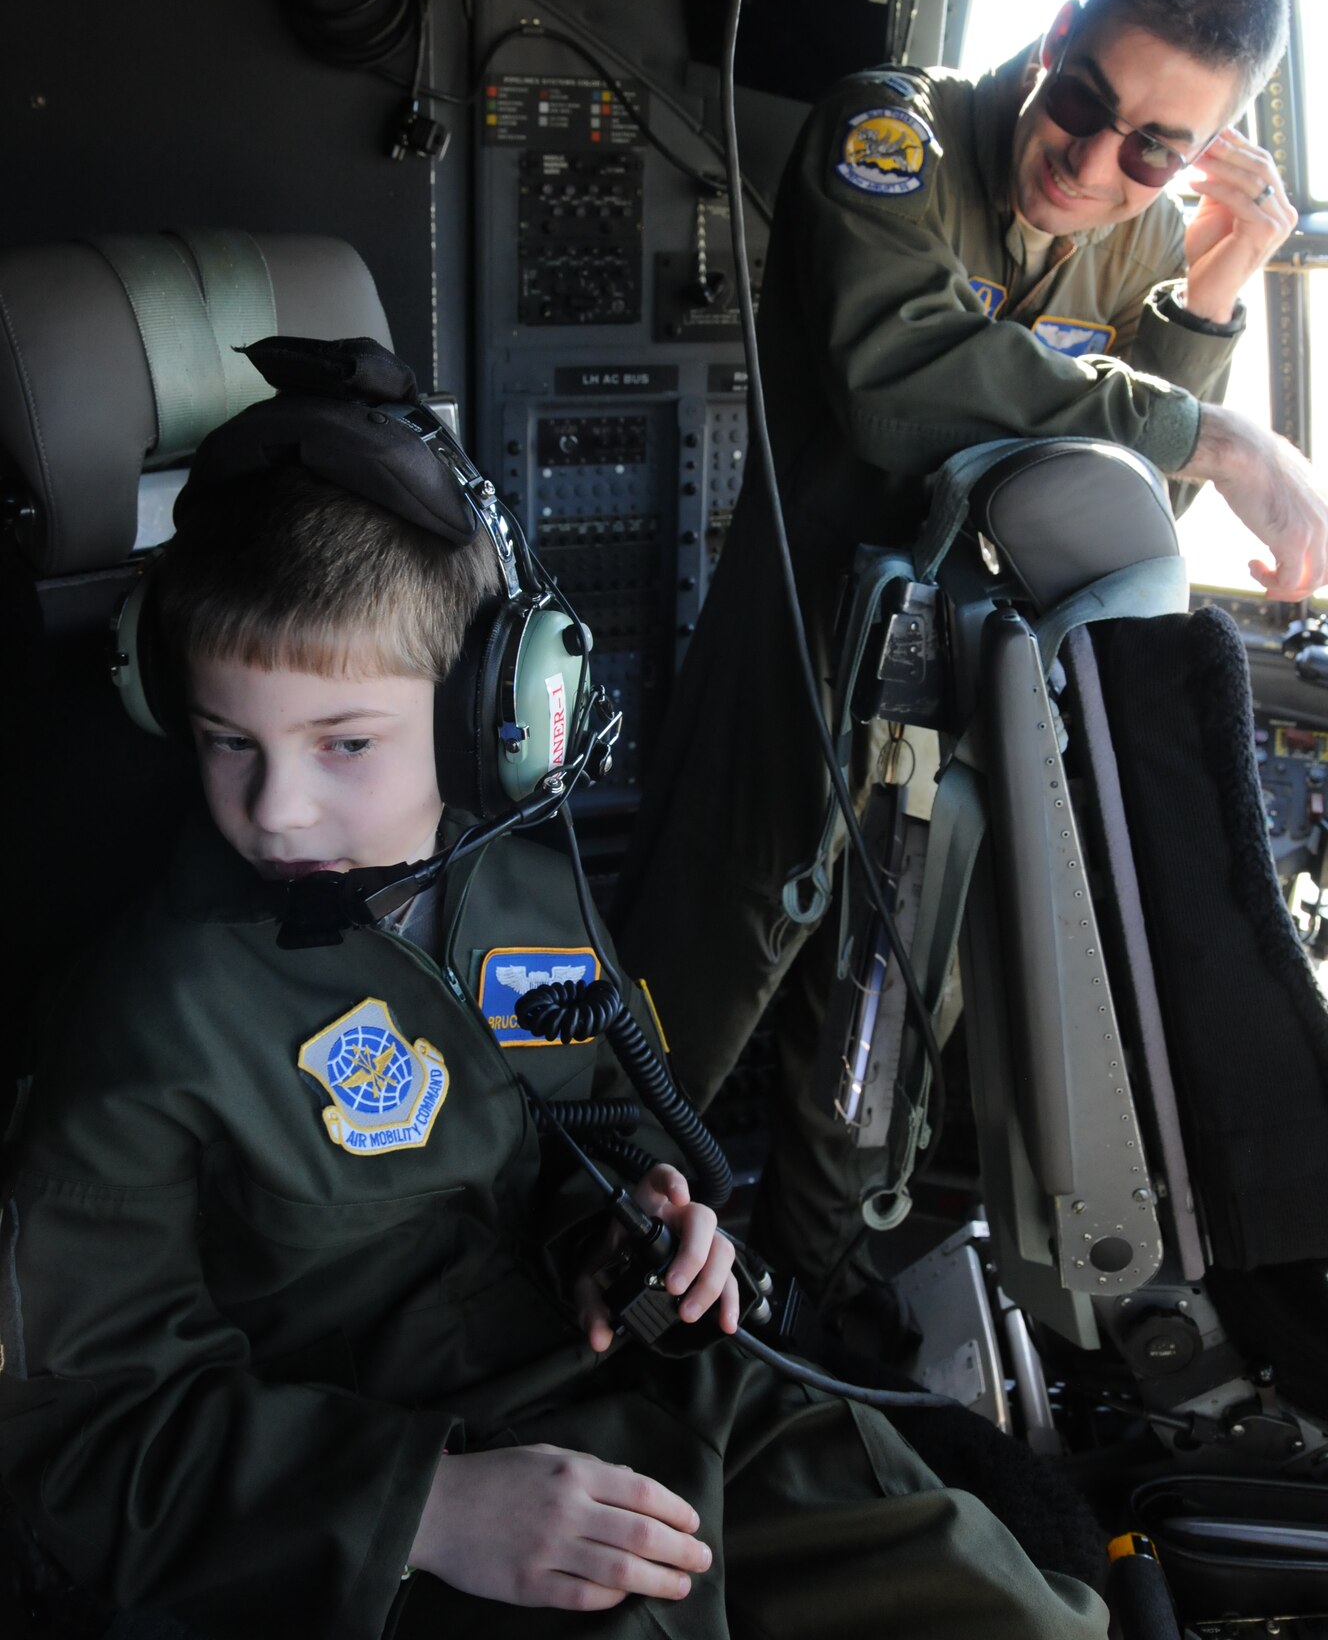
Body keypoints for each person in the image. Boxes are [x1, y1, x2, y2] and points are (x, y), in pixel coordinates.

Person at [0, 339, 1111, 1639]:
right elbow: (75, 1431)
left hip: (664, 1412)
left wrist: (642, 1229)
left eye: (345, 743)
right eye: (227, 742)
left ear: (498, 711)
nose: (277, 807)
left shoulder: (533, 905)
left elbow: (603, 1128)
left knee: (1013, 1615)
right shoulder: (148, 1020)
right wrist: (426, 1509)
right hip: (377, 1505)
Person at [615, 0, 1328, 1314]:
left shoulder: (1130, 244)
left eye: (1153, 152)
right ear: (1056, 33)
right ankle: (601, 1285)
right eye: (1085, 103)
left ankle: (803, 1320)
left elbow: (1104, 519)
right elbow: (904, 383)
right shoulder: (891, 137)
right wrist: (1221, 435)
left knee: (870, 1072)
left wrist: (1212, 294)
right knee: (674, 1026)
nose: (1090, 162)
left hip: (945, 726)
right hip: (798, 671)